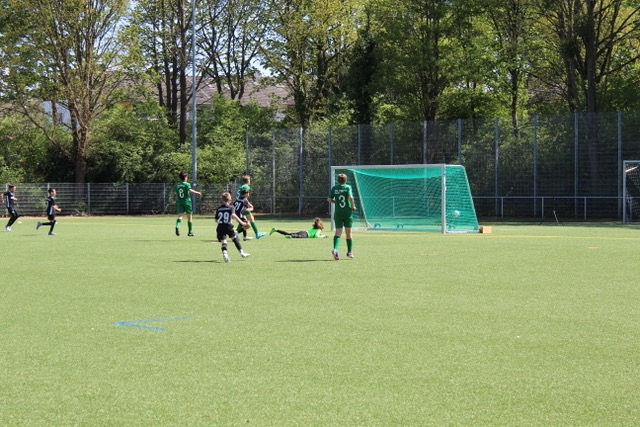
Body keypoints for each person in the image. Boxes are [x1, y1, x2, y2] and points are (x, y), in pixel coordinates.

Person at [327, 173, 356, 260]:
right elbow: (351, 197)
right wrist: (353, 206)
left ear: (338, 180)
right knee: (349, 233)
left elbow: (329, 199)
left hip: (338, 213)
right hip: (347, 213)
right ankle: (349, 252)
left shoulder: (335, 188)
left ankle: (335, 249)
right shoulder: (347, 187)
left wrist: (336, 202)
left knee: (338, 232)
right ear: (346, 180)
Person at [216, 192, 251, 263]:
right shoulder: (231, 207)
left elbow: (216, 220)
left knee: (224, 242)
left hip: (220, 227)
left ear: (222, 200)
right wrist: (242, 223)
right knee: (234, 239)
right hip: (228, 226)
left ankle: (225, 254)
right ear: (230, 200)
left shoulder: (219, 208)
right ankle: (242, 253)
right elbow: (234, 215)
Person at [236, 175, 266, 239]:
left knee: (245, 220)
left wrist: (248, 203)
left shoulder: (241, 186)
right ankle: (257, 233)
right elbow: (245, 195)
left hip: (239, 203)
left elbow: (241, 196)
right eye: (249, 180)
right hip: (242, 205)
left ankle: (244, 236)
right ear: (248, 180)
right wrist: (249, 204)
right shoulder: (246, 186)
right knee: (251, 218)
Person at [174, 171, 202, 237]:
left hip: (180, 201)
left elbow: (176, 193)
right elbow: (190, 190)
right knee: (189, 217)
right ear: (186, 177)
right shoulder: (187, 184)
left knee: (180, 216)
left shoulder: (177, 185)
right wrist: (197, 193)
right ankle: (190, 232)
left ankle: (177, 226)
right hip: (187, 201)